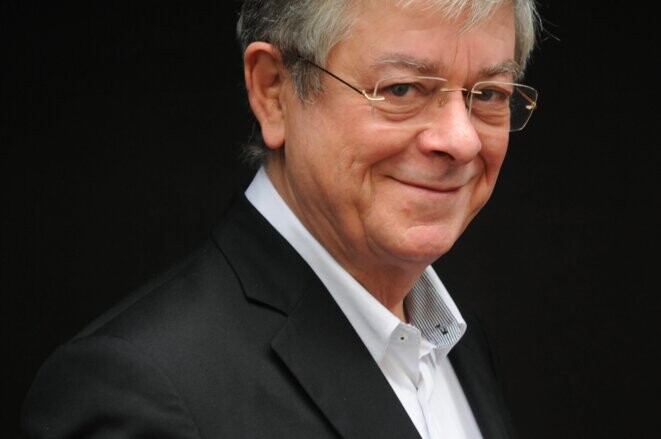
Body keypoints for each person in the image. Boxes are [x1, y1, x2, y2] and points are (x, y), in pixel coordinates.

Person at [20, 0, 541, 437]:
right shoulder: (144, 389)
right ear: (273, 91)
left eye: (490, 94)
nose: (461, 140)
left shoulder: (458, 347)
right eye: (403, 89)